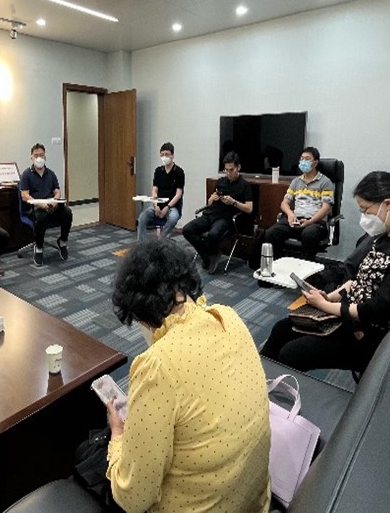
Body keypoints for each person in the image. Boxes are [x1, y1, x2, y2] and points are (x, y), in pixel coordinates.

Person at [106, 239, 271, 512]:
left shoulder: (157, 365)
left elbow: (133, 497)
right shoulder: (228, 316)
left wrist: (118, 437)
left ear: (139, 313)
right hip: (254, 502)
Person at [259, 171, 390, 374]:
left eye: (365, 210)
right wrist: (330, 296)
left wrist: (325, 306)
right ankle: (258, 380)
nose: (364, 217)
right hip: (350, 316)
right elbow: (358, 280)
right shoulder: (385, 237)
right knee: (281, 329)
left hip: (372, 335)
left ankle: (277, 388)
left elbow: (376, 310)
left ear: (387, 204)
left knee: (291, 354)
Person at [256, 146, 334, 263]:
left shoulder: (325, 182)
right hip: (295, 220)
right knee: (270, 234)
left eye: (307, 159)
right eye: (301, 159)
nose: (303, 161)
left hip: (315, 223)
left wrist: (310, 221)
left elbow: (326, 208)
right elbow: (284, 203)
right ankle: (278, 264)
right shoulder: (296, 182)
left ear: (316, 162)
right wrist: (290, 214)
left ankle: (306, 268)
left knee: (308, 235)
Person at [182, 151, 253, 274]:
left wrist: (233, 202)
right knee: (187, 230)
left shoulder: (245, 185)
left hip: (225, 218)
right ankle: (208, 255)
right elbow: (210, 203)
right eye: (226, 170)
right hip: (210, 214)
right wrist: (211, 199)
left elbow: (249, 208)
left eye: (231, 170)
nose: (228, 173)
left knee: (213, 234)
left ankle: (208, 256)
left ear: (238, 168)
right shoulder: (221, 182)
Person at [19, 143, 73, 267]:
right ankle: (39, 247)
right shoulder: (26, 174)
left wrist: (55, 200)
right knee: (41, 216)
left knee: (67, 213)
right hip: (36, 208)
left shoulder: (51, 174)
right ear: (31, 157)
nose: (39, 158)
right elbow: (25, 195)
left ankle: (62, 241)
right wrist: (40, 204)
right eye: (36, 155)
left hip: (51, 206)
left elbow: (57, 191)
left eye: (41, 155)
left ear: (45, 156)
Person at [136, 142, 185, 241]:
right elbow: (154, 190)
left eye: (167, 154)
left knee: (173, 218)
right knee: (142, 217)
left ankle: (160, 241)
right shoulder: (158, 171)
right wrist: (156, 205)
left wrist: (167, 207)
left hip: (172, 207)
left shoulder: (179, 172)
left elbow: (178, 194)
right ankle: (141, 244)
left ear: (172, 156)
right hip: (158, 205)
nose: (164, 157)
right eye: (162, 155)